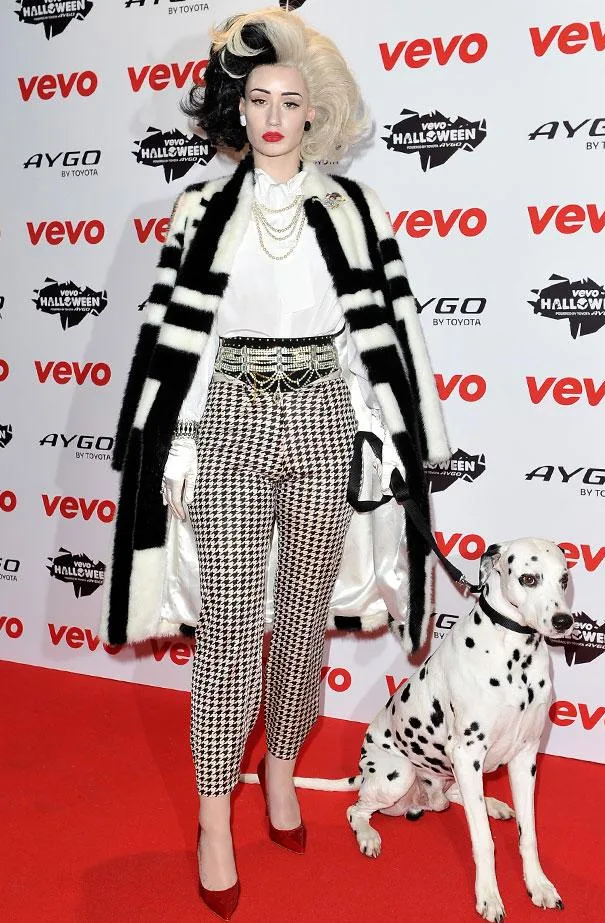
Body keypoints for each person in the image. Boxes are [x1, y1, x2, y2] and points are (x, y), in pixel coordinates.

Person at [101, 7, 449, 919]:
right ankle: (216, 816)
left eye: (289, 101)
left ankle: (282, 767)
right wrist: (172, 439)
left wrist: (382, 428)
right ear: (236, 107)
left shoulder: (352, 207)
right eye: (255, 97)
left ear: (314, 114)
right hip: (230, 423)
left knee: (301, 622)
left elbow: (375, 330)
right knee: (226, 630)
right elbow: (179, 335)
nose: (270, 116)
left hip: (325, 421)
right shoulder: (199, 209)